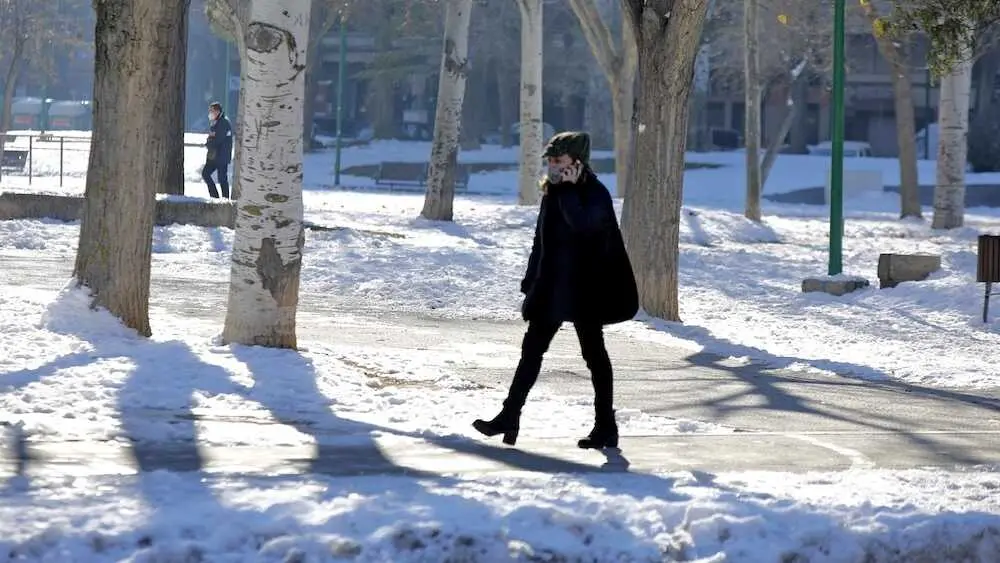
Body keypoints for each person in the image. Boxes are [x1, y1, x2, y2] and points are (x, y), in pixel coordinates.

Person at [473, 131, 639, 450]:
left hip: (586, 290)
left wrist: (567, 190)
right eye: (550, 160)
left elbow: (584, 226)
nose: (552, 165)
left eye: (558, 160)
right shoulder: (553, 191)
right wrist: (530, 280)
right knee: (531, 352)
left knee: (594, 357)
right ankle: (509, 416)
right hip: (552, 288)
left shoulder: (595, 193)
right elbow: (541, 240)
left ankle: (606, 426)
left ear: (577, 163)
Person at [202, 102, 233, 199]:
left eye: (212, 111)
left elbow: (217, 140)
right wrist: (209, 141)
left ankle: (225, 200)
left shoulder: (223, 122)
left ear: (217, 111)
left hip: (221, 156)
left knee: (222, 179)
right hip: (214, 157)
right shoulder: (215, 122)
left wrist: (208, 143)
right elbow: (211, 137)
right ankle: (215, 197)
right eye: (209, 111)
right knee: (206, 174)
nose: (210, 113)